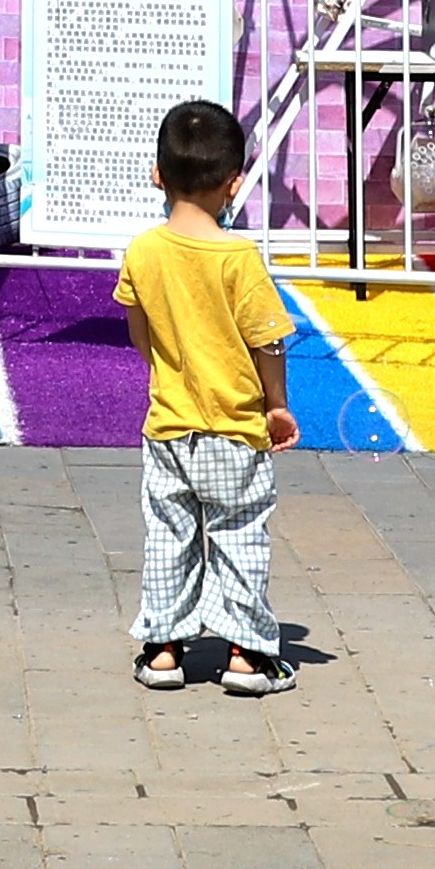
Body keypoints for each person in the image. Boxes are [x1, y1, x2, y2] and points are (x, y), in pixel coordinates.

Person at [116, 95, 299, 695]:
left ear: (157, 175)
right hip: (234, 428)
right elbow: (267, 340)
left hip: (168, 424)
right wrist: (276, 402)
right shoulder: (239, 257)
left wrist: (165, 368)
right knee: (240, 533)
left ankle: (164, 649)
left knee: (169, 533)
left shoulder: (144, 250)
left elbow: (138, 326)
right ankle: (246, 656)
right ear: (234, 182)